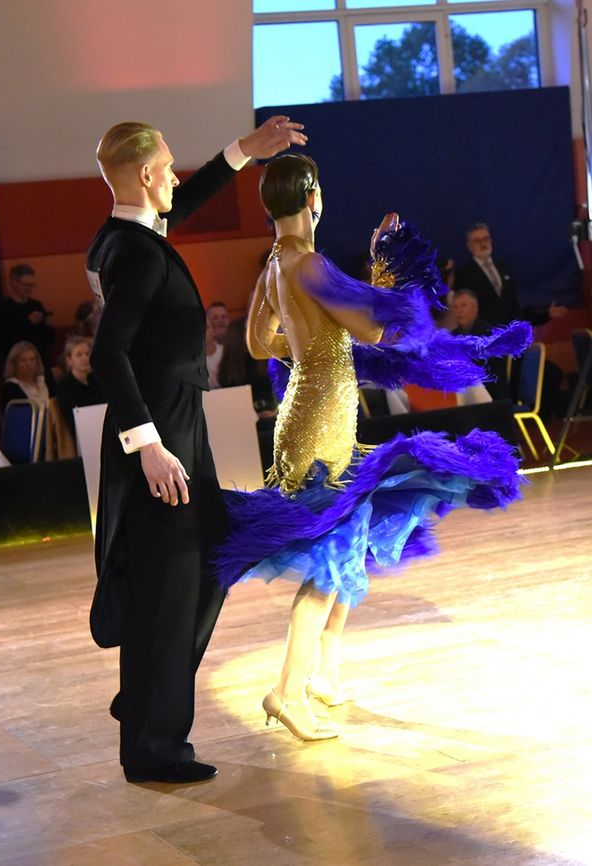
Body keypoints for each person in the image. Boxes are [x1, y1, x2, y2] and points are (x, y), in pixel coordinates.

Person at [215, 156, 531, 743]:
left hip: (306, 413)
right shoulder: (308, 264)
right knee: (332, 555)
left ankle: (324, 674)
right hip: (320, 421)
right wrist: (386, 274)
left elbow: (260, 342)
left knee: (348, 542)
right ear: (310, 196)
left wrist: (314, 345)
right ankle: (286, 689)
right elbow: (374, 330)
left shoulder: (274, 268)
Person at [86, 115, 306, 785]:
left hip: (178, 424)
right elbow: (107, 353)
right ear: (149, 175)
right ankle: (155, 745)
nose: (178, 177)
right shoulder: (141, 254)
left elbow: (181, 206)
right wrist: (147, 445)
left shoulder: (122, 240)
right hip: (164, 432)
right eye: (171, 168)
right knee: (172, 584)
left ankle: (150, 691)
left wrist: (243, 152)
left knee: (210, 559)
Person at [454, 223, 520, 326]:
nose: (483, 244)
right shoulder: (463, 274)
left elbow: (514, 303)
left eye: (486, 239)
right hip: (485, 335)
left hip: (510, 332)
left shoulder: (504, 268)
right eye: (477, 241)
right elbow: (467, 311)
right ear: (469, 246)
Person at [451, 289, 510, 402]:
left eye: (463, 306)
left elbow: (492, 373)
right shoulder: (452, 336)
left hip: (489, 393)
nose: (459, 311)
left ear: (475, 308)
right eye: (455, 307)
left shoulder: (490, 334)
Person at [0, 265, 55, 363]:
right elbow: (3, 342)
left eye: (32, 285)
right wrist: (28, 322)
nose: (29, 289)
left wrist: (48, 325)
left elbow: (50, 340)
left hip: (40, 359)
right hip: (18, 362)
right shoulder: (3, 308)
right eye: (25, 285)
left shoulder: (36, 305)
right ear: (13, 282)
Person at [55, 336, 104, 438]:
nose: (85, 358)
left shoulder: (96, 379)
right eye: (79, 355)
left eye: (87, 354)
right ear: (69, 360)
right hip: (83, 433)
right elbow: (73, 418)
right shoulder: (65, 385)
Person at [0, 341, 49, 416]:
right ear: (14, 364)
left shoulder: (43, 380)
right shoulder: (10, 388)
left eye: (32, 359)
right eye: (23, 360)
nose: (29, 364)